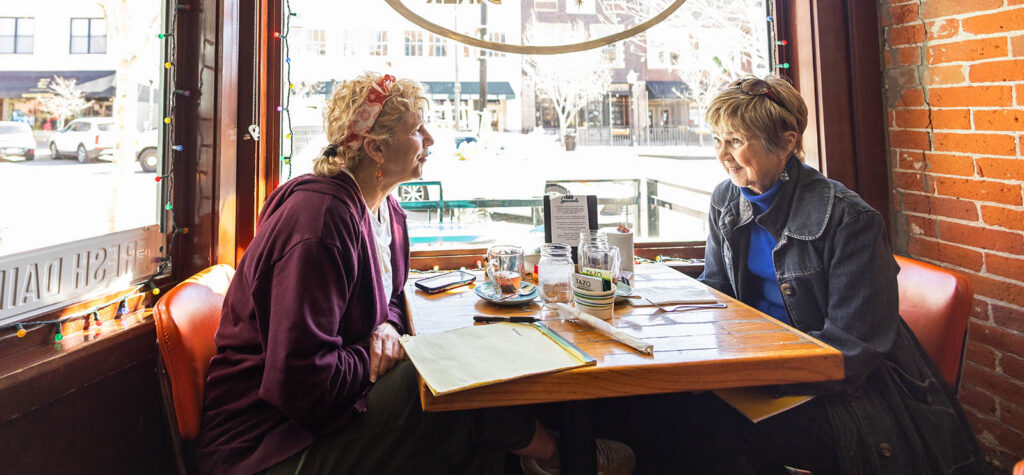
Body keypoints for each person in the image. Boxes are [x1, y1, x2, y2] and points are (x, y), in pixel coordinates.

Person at [196, 72, 634, 475]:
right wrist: (373, 356)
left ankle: (550, 458)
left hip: (325, 417)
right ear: (376, 147)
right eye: (417, 129)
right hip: (268, 448)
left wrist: (388, 325)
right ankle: (561, 458)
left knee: (461, 379)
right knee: (453, 374)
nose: (430, 139)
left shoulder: (386, 211)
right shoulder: (319, 221)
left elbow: (389, 297)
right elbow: (302, 385)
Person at [670, 75, 984, 474]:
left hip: (850, 395)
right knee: (662, 407)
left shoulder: (849, 219)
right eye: (717, 140)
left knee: (706, 430)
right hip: (764, 371)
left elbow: (851, 350)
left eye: (734, 140)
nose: (722, 155)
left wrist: (750, 375)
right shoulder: (725, 199)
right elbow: (717, 288)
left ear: (786, 143)